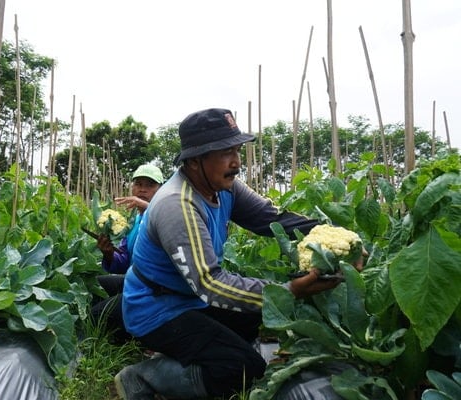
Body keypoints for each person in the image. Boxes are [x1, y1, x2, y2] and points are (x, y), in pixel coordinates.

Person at [114, 108, 364, 400]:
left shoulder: (222, 187)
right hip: (156, 308)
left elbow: (272, 219)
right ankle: (145, 377)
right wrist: (290, 290)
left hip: (188, 298)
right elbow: (210, 283)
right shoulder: (177, 205)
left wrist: (340, 238)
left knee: (260, 316)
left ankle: (187, 355)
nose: (236, 162)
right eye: (225, 152)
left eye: (236, 150)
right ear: (195, 161)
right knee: (244, 368)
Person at [90, 164, 163, 342]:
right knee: (93, 286)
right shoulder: (133, 221)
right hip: (136, 281)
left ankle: (139, 338)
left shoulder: (164, 217)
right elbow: (123, 261)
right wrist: (108, 253)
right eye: (138, 184)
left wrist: (148, 208)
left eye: (150, 185)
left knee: (96, 315)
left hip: (155, 291)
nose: (142, 190)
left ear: (161, 190)